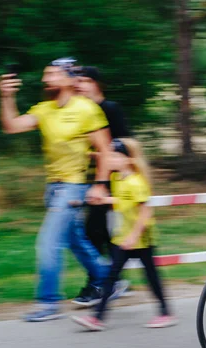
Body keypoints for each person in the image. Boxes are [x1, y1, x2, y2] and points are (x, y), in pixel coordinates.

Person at [0, 57, 111, 321]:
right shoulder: (44, 109)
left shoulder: (87, 109)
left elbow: (105, 150)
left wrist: (100, 185)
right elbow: (11, 126)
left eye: (52, 74)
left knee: (48, 242)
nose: (45, 79)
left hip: (73, 188)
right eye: (45, 74)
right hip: (53, 188)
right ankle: (108, 278)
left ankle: (48, 303)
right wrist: (6, 96)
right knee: (76, 241)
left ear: (71, 79)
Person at [71, 138, 177, 330]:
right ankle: (97, 318)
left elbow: (145, 211)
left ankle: (165, 313)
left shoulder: (137, 182)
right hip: (123, 238)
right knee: (111, 277)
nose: (109, 159)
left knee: (151, 276)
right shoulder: (116, 178)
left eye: (115, 155)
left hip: (141, 238)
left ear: (128, 159)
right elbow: (122, 199)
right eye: (109, 155)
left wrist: (134, 236)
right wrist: (102, 200)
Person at [72, 66, 132, 306]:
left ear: (97, 83)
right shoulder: (81, 112)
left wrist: (101, 154)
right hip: (95, 180)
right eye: (78, 81)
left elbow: (126, 144)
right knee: (104, 234)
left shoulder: (110, 109)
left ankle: (99, 285)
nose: (80, 85)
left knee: (92, 231)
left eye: (85, 81)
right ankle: (114, 280)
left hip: (114, 182)